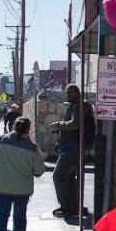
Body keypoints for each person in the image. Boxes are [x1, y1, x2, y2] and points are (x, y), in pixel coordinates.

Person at [48, 83, 91, 218]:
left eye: (70, 92)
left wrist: (59, 125)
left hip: (72, 148)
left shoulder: (80, 106)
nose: (68, 95)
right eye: (67, 93)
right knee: (70, 178)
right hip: (72, 147)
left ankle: (66, 207)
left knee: (59, 176)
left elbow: (76, 124)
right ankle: (73, 207)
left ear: (77, 93)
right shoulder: (76, 106)